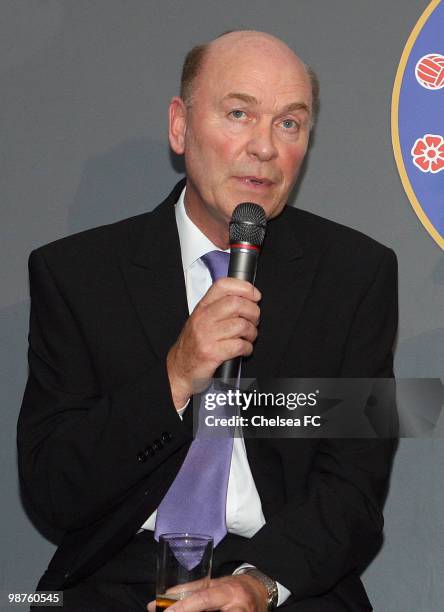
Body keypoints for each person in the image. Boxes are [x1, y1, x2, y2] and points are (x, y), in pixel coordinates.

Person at [18, 30, 398, 611]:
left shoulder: (355, 276)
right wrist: (176, 373)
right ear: (180, 125)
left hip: (282, 578)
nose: (265, 148)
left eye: (289, 123)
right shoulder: (77, 276)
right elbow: (53, 493)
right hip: (116, 578)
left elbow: (354, 490)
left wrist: (255, 583)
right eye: (239, 113)